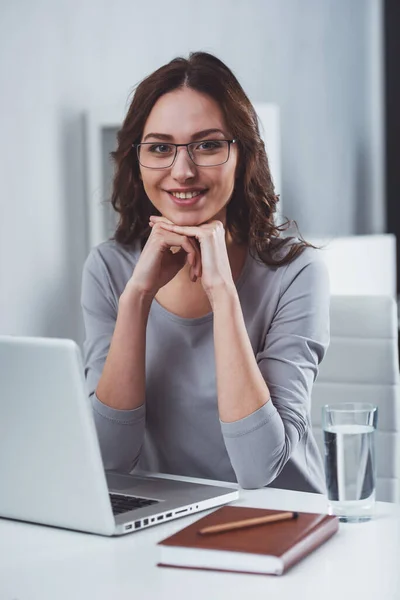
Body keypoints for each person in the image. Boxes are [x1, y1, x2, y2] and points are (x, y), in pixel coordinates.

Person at [81, 51, 330, 493]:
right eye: (160, 147)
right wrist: (137, 297)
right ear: (137, 163)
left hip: (278, 521)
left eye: (208, 145)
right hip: (160, 526)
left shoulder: (296, 272)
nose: (183, 171)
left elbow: (259, 470)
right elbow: (106, 461)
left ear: (243, 155)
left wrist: (222, 293)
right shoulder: (109, 268)